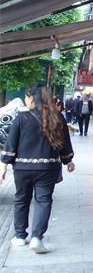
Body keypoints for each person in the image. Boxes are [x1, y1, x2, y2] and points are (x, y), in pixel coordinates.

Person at [1, 84, 75, 254]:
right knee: (43, 200)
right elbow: (64, 143)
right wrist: (68, 160)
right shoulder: (57, 118)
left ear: (31, 98)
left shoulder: (21, 118)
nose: (25, 101)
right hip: (47, 168)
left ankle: (20, 236)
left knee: (21, 199)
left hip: (22, 168)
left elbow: (10, 144)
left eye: (26, 98)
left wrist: (3, 165)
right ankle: (37, 237)